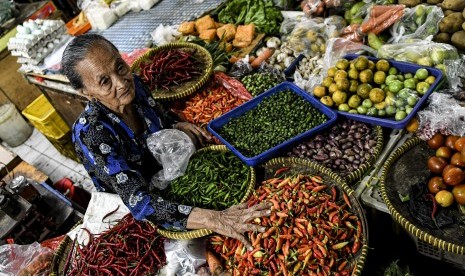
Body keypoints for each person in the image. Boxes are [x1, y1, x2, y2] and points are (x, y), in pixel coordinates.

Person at [61, 34, 270, 250]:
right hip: (140, 209)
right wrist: (214, 219)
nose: (121, 82)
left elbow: (159, 115)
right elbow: (139, 202)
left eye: (120, 67)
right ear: (85, 92)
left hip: (170, 178)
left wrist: (175, 124)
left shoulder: (136, 86)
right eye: (105, 81)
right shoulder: (93, 133)